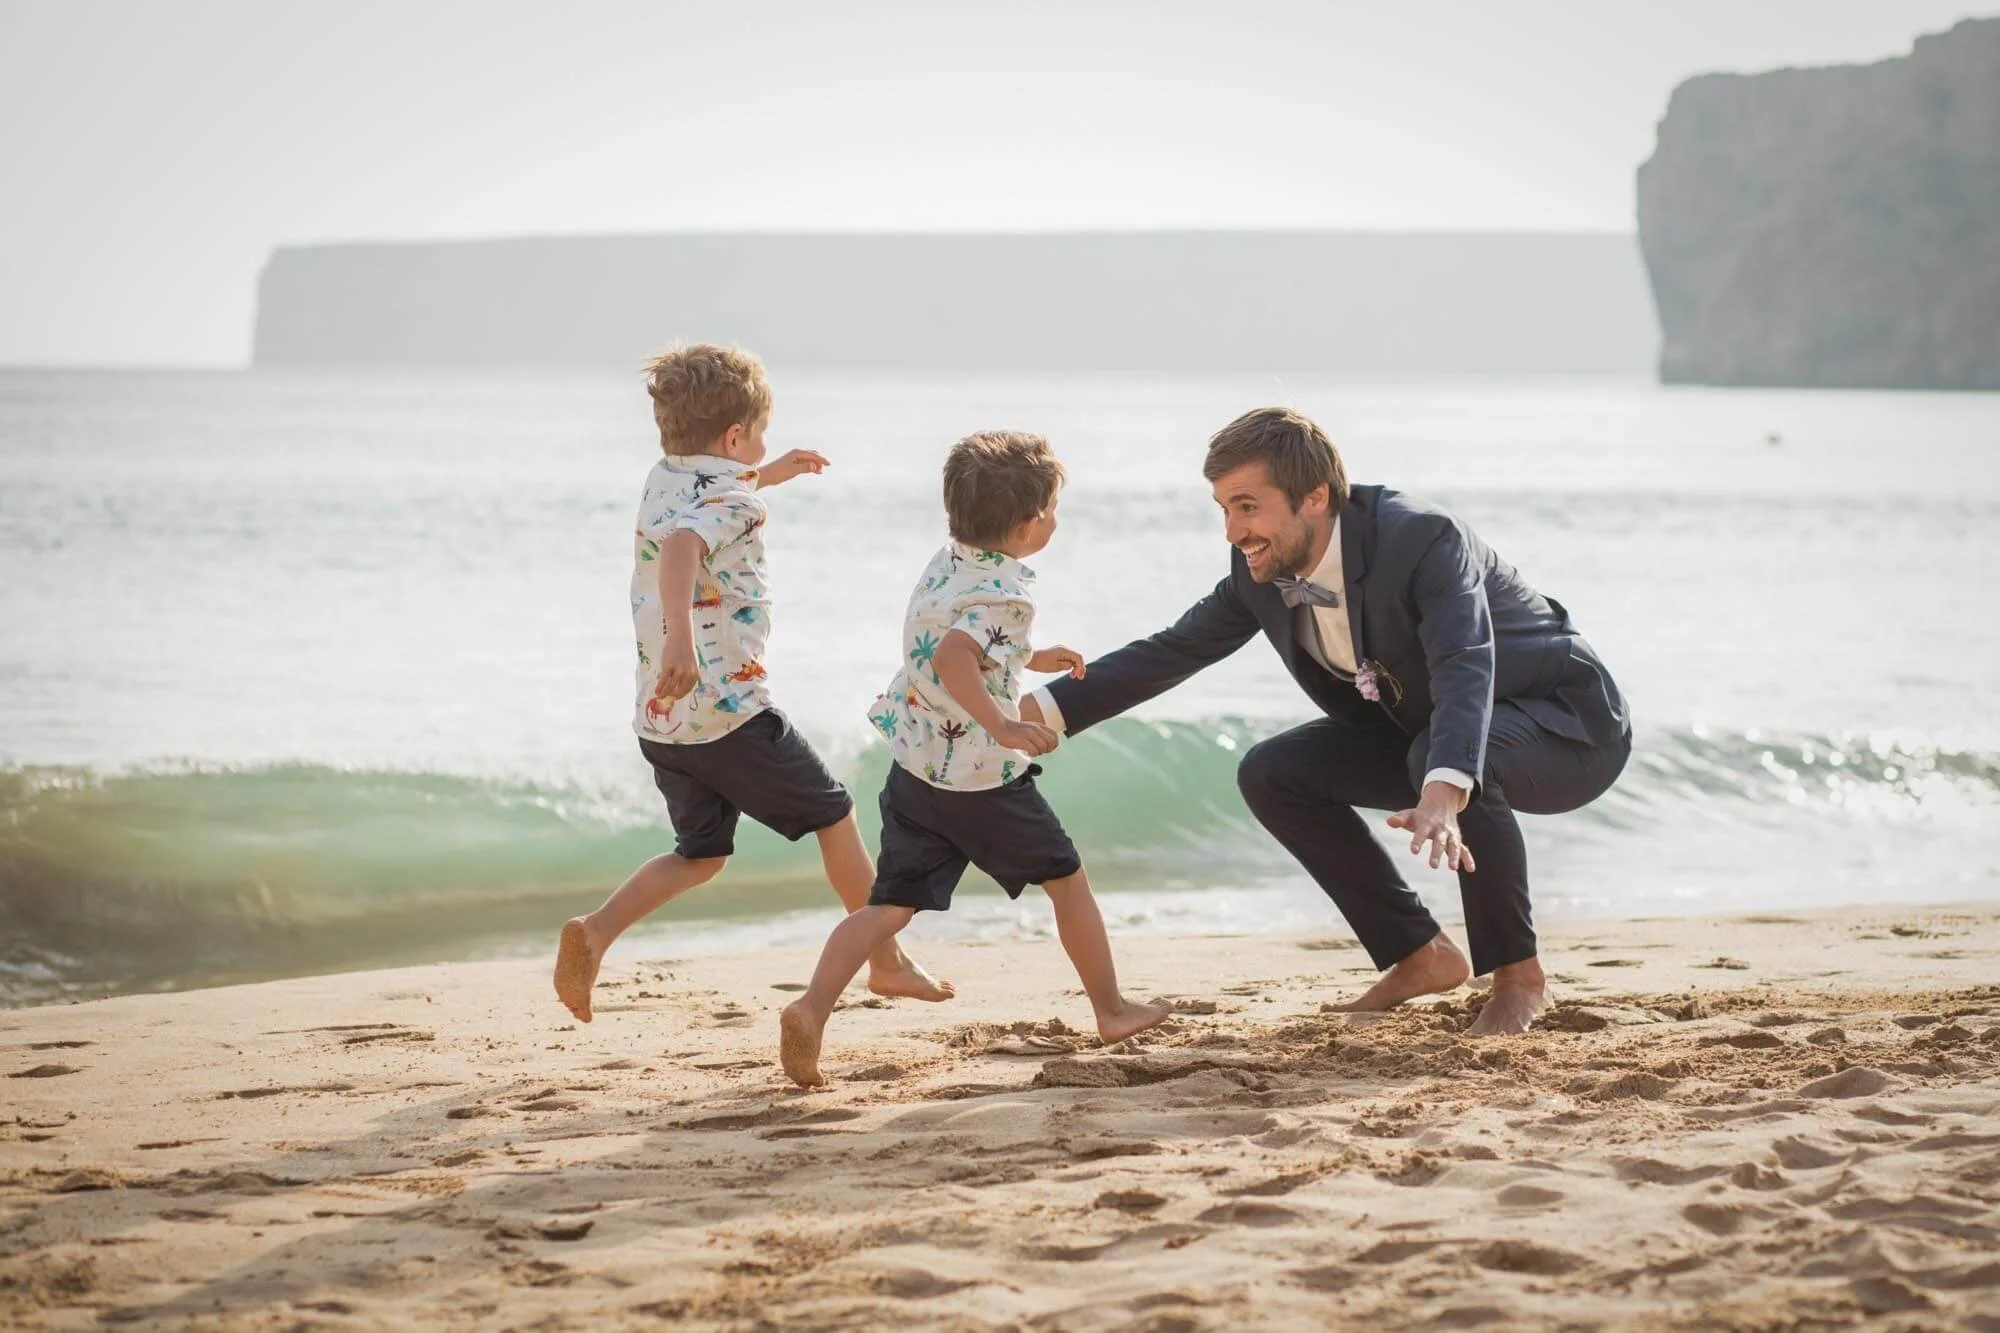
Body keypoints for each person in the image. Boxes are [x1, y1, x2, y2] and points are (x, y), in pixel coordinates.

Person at [1022, 407, 1630, 1036]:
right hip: (1423, 730)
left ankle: (1518, 979)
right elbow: (1173, 651)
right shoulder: (1261, 570)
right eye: (1222, 509)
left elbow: (1464, 663)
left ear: (1314, 497)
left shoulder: (1422, 538)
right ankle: (1420, 953)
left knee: (1435, 755)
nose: (1232, 530)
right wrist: (1031, 713)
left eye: (1247, 506)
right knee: (1273, 773)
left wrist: (1445, 791)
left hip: (1566, 725)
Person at [553, 344, 950, 1023]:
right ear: (734, 437)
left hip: (664, 720)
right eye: (757, 436)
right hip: (729, 711)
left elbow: (698, 507)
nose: (761, 447)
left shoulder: (665, 476)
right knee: (833, 814)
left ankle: (594, 931)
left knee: (701, 853)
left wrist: (766, 472)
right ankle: (884, 960)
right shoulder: (735, 499)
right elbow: (686, 547)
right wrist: (683, 633)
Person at [778, 430, 1171, 1086]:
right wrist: (1005, 722)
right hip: (982, 779)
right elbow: (954, 655)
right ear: (1025, 526)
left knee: (887, 904)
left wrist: (1027, 657)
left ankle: (812, 1006)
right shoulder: (1009, 594)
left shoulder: (950, 560)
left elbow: (963, 636)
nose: (1053, 521)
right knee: (1067, 881)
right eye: (1050, 511)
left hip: (917, 770)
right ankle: (1112, 1008)